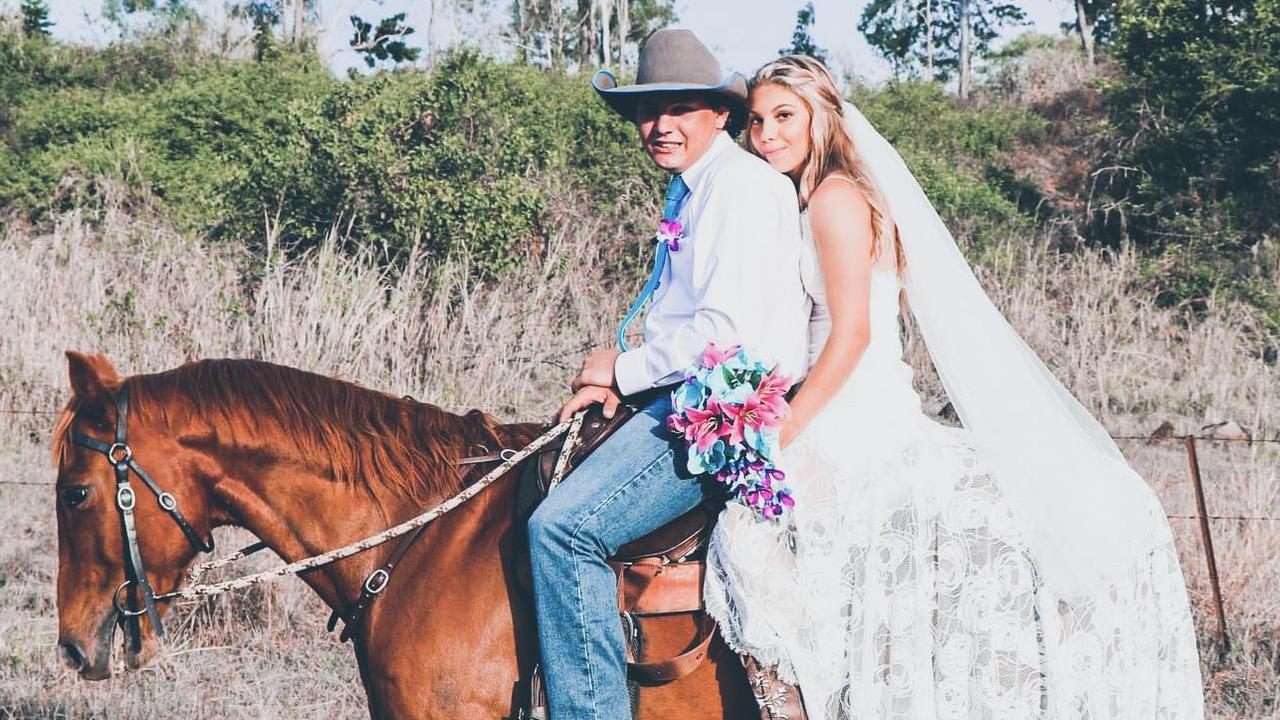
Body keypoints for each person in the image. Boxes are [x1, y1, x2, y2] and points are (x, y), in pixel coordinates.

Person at [702, 55, 1206, 719]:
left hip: (851, 412)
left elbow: (850, 335)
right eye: (758, 121)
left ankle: (795, 700)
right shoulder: (828, 194)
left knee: (742, 535)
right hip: (854, 399)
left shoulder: (833, 199)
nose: (764, 133)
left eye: (783, 116)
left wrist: (782, 430)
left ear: (823, 115)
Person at [527, 31, 810, 720]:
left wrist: (620, 371)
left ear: (720, 114)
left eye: (679, 108)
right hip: (684, 391)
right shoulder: (697, 189)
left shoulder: (737, 190)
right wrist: (615, 380)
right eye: (647, 113)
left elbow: (722, 333)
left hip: (723, 408)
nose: (658, 126)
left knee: (562, 530)